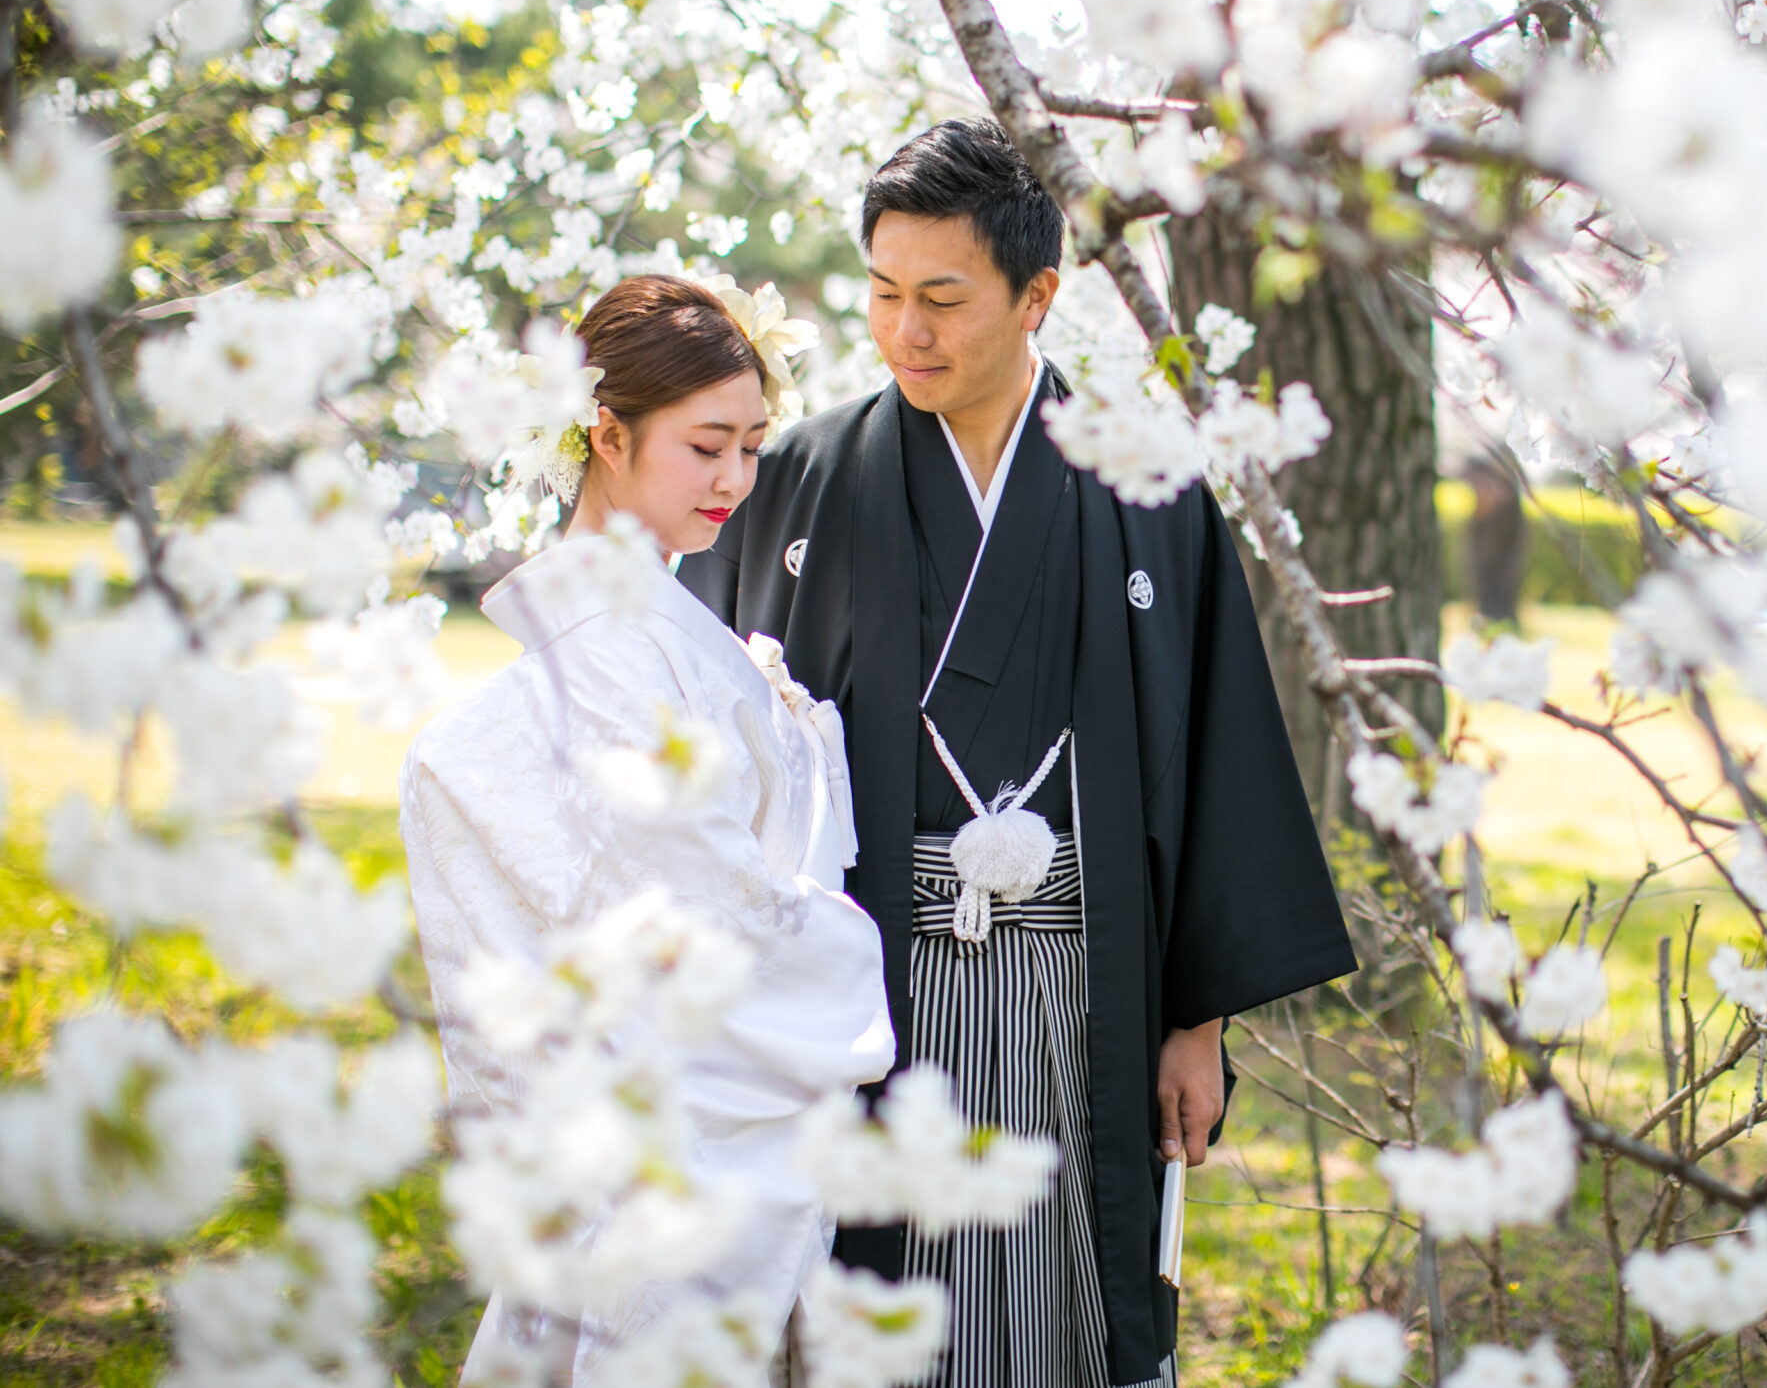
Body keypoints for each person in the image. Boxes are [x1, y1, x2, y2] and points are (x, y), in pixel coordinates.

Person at [681, 118, 1356, 1388]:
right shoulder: (802, 481)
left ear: (1036, 295)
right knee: (868, 1310)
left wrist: (1192, 1017)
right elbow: (722, 760)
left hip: (1081, 982)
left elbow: (1212, 748)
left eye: (943, 299)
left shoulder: (1145, 478)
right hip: (862, 990)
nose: (905, 332)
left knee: (1056, 1312)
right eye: (882, 293)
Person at [401, 275, 895, 1385]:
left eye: (753, 447)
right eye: (707, 446)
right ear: (606, 435)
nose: (736, 481)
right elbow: (712, 908)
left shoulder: (656, 617)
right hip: (692, 1129)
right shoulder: (613, 649)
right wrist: (860, 956)